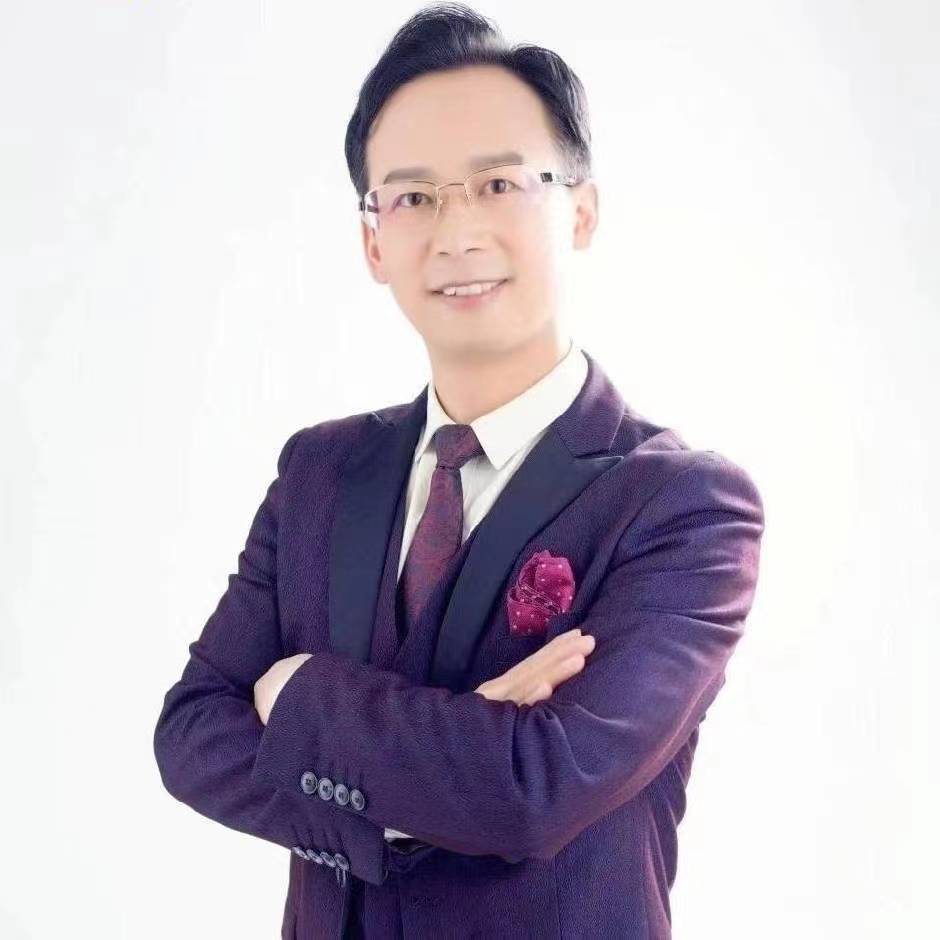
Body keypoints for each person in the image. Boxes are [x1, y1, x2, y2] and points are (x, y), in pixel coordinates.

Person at [153, 4, 765, 937]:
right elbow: (193, 733)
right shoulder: (319, 473)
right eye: (414, 198)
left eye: (498, 184)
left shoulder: (683, 506)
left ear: (582, 211)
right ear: (373, 241)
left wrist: (297, 695)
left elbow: (536, 789)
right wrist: (444, 766)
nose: (457, 231)